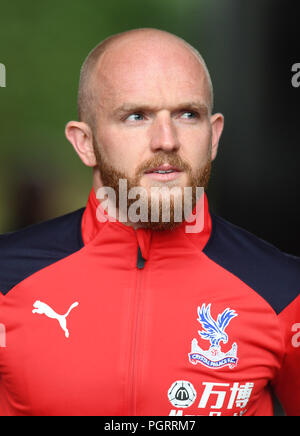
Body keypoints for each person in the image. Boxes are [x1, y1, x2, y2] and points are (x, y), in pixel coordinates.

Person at [0, 28, 299, 417]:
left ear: (213, 136)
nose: (166, 139)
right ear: (84, 143)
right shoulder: (6, 279)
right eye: (136, 116)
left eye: (187, 115)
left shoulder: (285, 291)